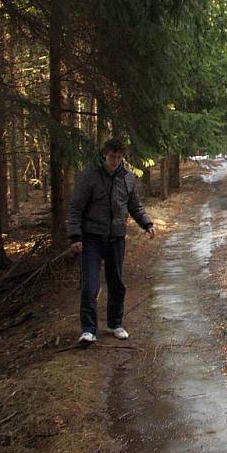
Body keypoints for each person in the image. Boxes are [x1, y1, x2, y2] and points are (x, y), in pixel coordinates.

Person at [68, 138, 156, 344]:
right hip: (91, 239)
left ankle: (115, 324)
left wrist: (147, 224)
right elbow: (75, 208)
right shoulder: (89, 176)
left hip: (116, 238)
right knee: (90, 285)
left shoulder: (127, 178)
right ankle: (89, 329)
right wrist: (75, 237)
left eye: (118, 157)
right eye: (111, 157)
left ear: (122, 157)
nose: (115, 161)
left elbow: (134, 206)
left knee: (116, 282)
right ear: (104, 155)